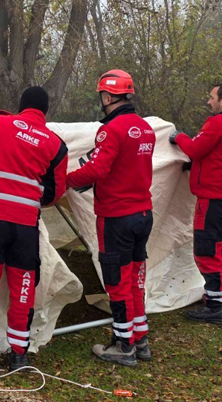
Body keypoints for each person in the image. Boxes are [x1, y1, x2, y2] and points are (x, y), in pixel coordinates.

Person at [0, 86, 69, 376]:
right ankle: (19, 356)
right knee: (23, 289)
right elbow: (56, 191)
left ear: (20, 105)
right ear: (45, 111)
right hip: (24, 226)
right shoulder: (56, 145)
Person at [65, 70, 155, 367]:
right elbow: (126, 166)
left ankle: (123, 345)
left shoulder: (110, 131)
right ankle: (139, 339)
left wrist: (66, 179)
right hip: (143, 213)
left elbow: (98, 169)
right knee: (134, 280)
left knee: (116, 281)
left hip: (117, 216)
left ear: (107, 96)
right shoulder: (145, 128)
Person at [170, 82, 222, 325]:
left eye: (211, 97)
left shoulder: (217, 123)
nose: (208, 101)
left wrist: (178, 137)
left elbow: (195, 148)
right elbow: (219, 156)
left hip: (213, 199)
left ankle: (214, 306)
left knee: (206, 251)